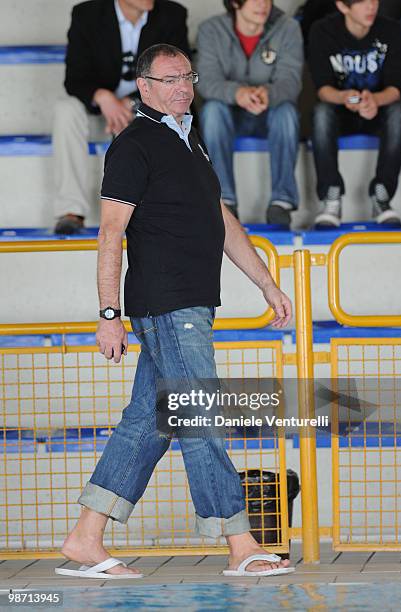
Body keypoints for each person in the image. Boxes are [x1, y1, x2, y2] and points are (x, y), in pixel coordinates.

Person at [55, 43, 295, 580]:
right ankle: (239, 541)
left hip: (190, 305)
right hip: (167, 307)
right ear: (143, 87)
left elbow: (222, 220)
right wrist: (108, 312)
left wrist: (267, 285)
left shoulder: (190, 142)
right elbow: (110, 235)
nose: (183, 87)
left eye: (187, 76)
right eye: (170, 79)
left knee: (149, 421)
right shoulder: (134, 145)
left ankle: (85, 537)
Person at [52, 0, 190, 235]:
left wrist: (133, 102)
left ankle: (145, 210)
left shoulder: (172, 14)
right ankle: (71, 210)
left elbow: (176, 76)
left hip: (145, 103)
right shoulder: (86, 14)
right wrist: (103, 97)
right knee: (65, 110)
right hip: (97, 106)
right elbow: (74, 78)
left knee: (168, 113)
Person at [196, 0, 303, 228]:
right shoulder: (211, 29)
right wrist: (238, 93)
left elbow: (291, 82)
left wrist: (268, 93)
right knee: (212, 110)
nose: (263, 5)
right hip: (230, 116)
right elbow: (205, 81)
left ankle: (282, 202)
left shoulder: (288, 27)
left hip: (269, 113)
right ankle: (225, 201)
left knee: (287, 112)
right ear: (235, 3)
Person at [309, 0, 401, 227]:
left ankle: (382, 195)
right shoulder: (323, 31)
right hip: (341, 111)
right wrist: (344, 98)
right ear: (343, 6)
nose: (371, 7)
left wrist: (374, 100)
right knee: (321, 114)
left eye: (373, 0)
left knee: (399, 113)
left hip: (378, 111)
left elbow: (396, 88)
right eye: (362, 2)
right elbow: (322, 89)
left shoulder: (389, 29)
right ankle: (331, 196)